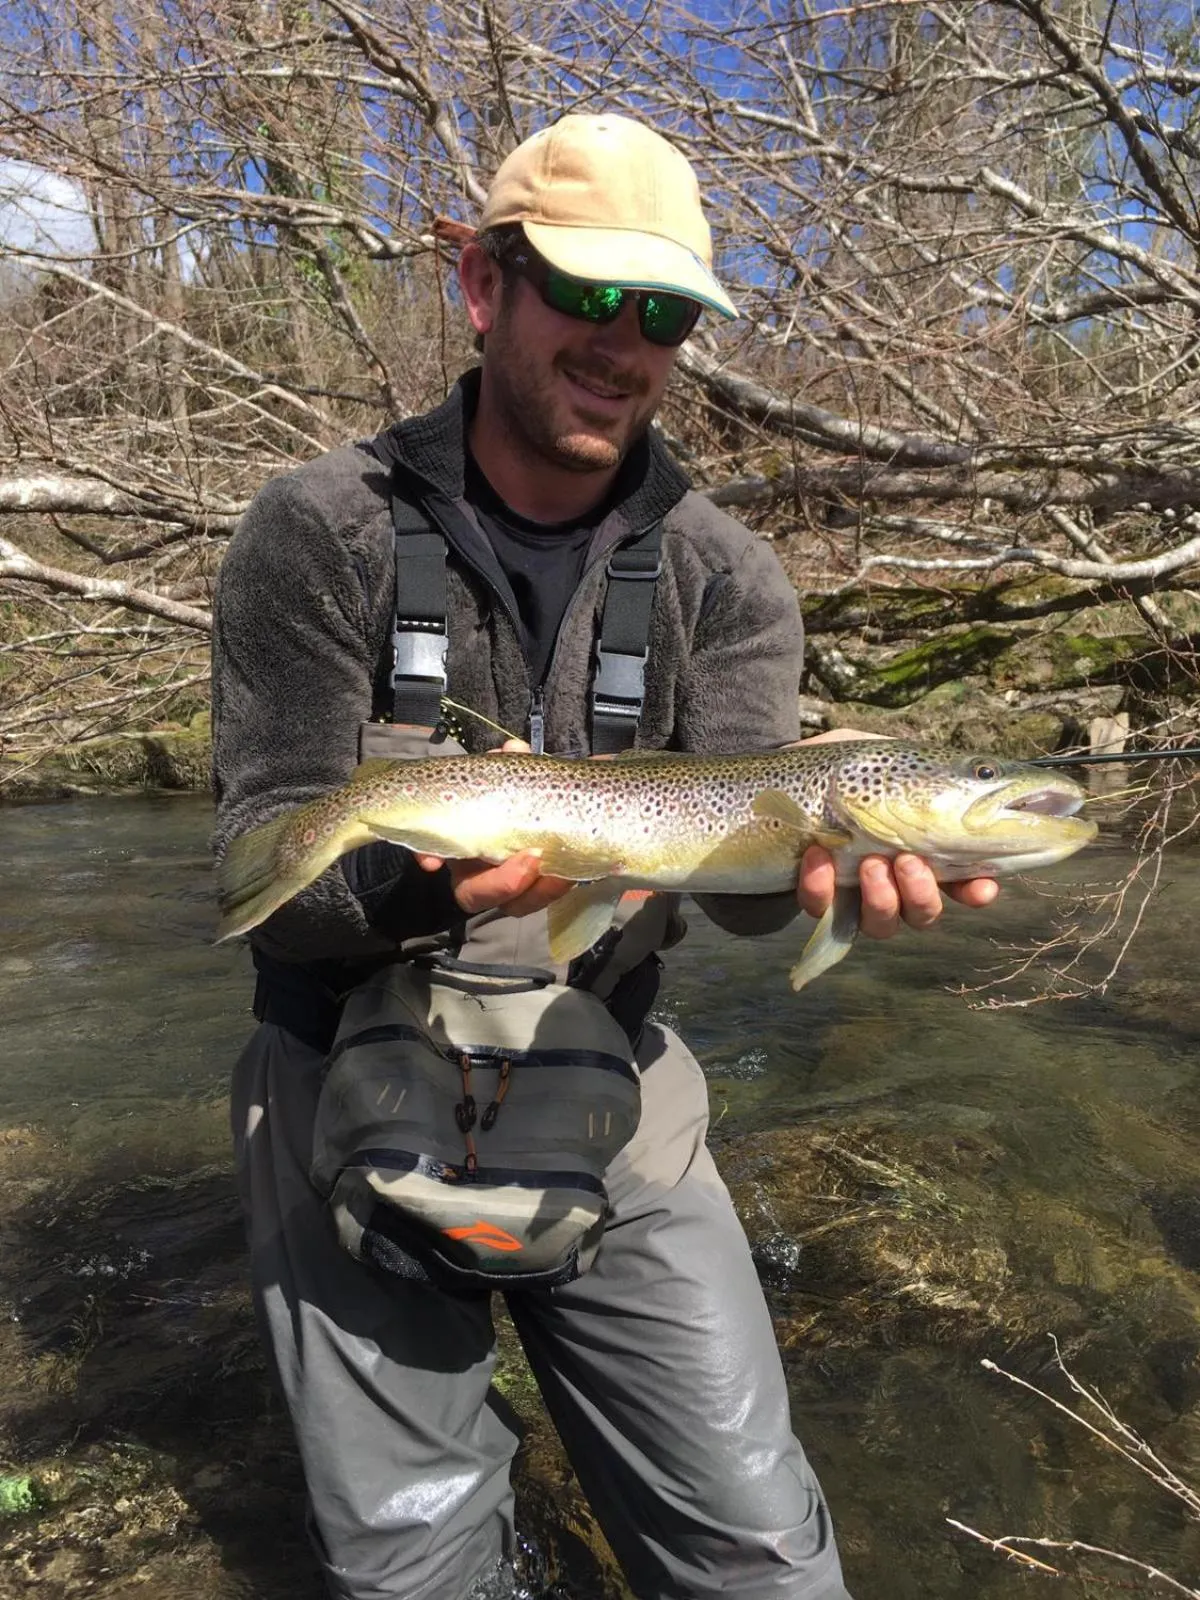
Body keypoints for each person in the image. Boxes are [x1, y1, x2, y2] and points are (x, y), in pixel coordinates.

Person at [211, 112, 999, 1600]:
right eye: (587, 292)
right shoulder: (318, 533)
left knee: (764, 1565)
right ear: (482, 283)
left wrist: (820, 870)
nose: (624, 342)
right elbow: (262, 867)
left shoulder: (725, 572)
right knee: (413, 1577)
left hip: (614, 1063)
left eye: (665, 315)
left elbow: (750, 897)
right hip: (339, 1061)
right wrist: (428, 867)